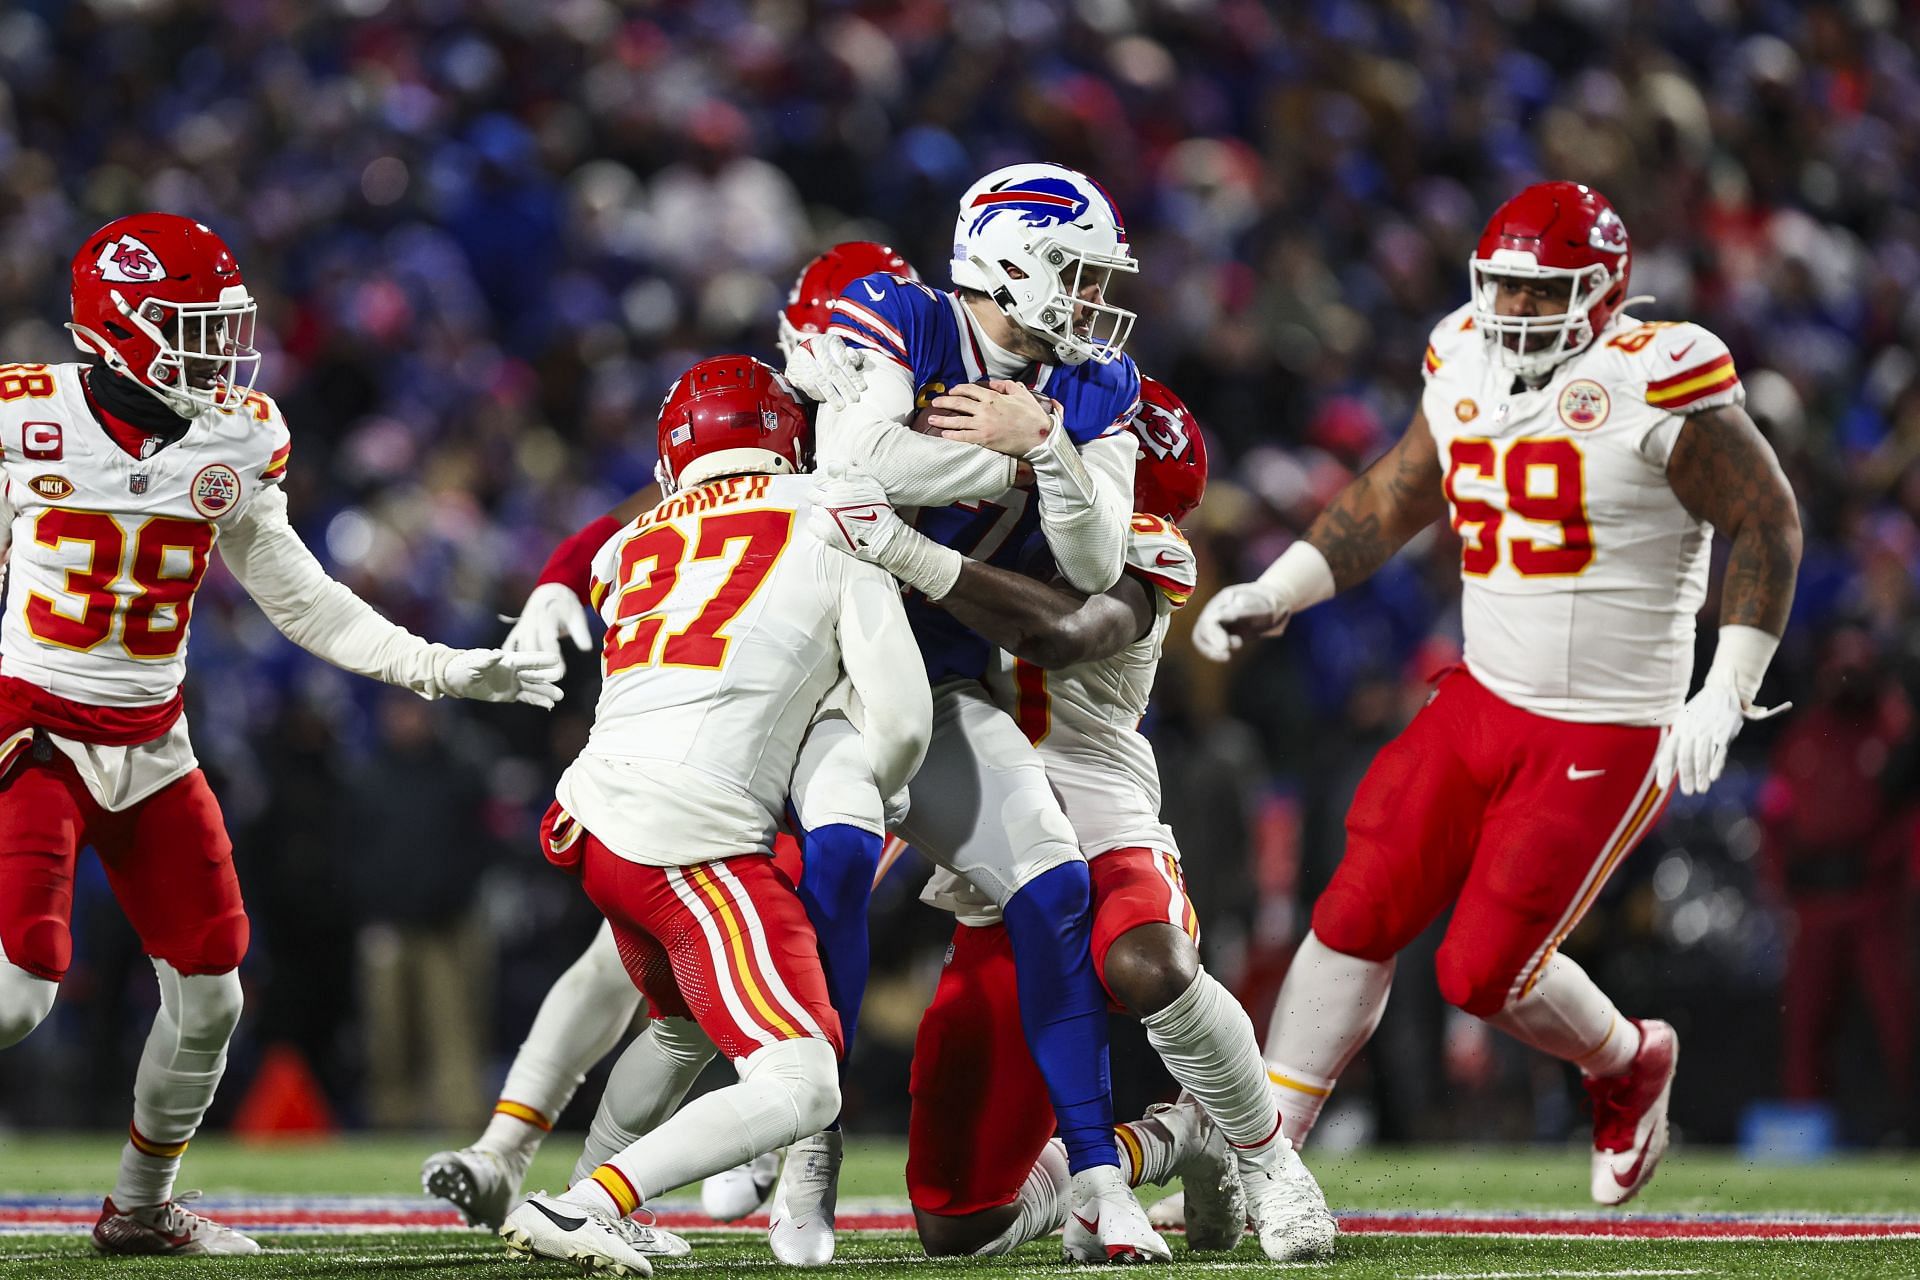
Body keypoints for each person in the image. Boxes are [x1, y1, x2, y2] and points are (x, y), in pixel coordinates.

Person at [1191, 181, 1802, 1205]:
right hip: (1484, 691)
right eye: (1506, 288)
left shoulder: (1657, 379)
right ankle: (1267, 1159)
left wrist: (1727, 686)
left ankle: (1628, 1057)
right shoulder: (1461, 351)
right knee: (1357, 899)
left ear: (1607, 291)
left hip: (1607, 719)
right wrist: (1281, 585)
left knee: (1480, 971)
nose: (1515, 312)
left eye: (1542, 291)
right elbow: (1400, 491)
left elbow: (1770, 521)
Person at [0, 213, 565, 1257]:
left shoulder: (237, 432)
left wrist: (440, 666)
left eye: (221, 327)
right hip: (30, 723)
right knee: (19, 992)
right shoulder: (22, 414)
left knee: (213, 993)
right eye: (187, 326)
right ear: (115, 326)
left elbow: (303, 600)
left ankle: (140, 1208)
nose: (216, 351)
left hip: (153, 736)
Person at [422, 242, 917, 1251]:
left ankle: (562, 1181)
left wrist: (558, 580)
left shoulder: (628, 541)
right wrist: (874, 789)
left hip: (599, 817)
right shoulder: (835, 509)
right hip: (700, 831)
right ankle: (588, 1201)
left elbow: (616, 550)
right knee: (804, 1071)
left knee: (679, 1017)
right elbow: (904, 718)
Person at [811, 376, 1337, 1262]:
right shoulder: (980, 513)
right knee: (959, 1223)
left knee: (1146, 961)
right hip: (992, 843)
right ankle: (1172, 1139)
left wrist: (904, 546)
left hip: (1100, 813)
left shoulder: (1145, 549)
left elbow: (1061, 633)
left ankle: (1269, 1159)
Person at [812, 160, 1162, 1258]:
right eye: (1080, 270)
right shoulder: (900, 312)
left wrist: (1046, 442)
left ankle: (1104, 1179)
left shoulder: (1095, 383)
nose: (1099, 299)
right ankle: (786, 1161)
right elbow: (853, 462)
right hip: (812, 673)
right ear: (1011, 258)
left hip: (945, 680)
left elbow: (1099, 556)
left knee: (1053, 874)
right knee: (782, 895)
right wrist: (1014, 466)